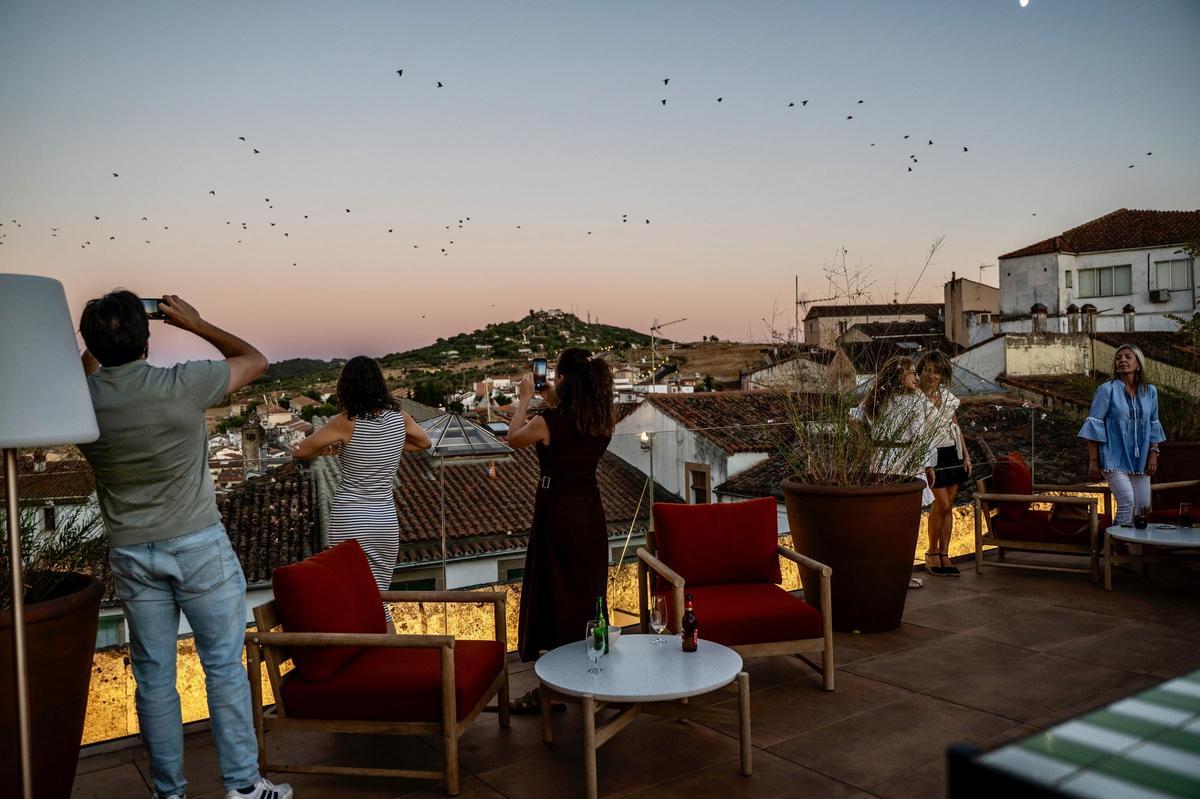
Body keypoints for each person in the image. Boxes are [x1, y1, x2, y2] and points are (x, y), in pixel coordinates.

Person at [77, 292, 291, 799]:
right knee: (222, 669)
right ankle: (242, 786)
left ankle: (168, 792)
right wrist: (196, 323)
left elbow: (83, 370)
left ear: (92, 341)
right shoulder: (181, 383)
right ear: (147, 337)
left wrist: (96, 346)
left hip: (131, 552)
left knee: (154, 679)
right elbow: (255, 360)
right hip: (198, 545)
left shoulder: (80, 398)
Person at [507, 348, 614, 711]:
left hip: (556, 514)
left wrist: (524, 399)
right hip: (589, 513)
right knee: (584, 595)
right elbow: (573, 417)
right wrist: (551, 393)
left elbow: (514, 436)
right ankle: (590, 680)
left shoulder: (548, 421)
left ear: (566, 380)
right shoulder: (602, 421)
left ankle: (550, 691)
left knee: (554, 596)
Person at [291, 356, 431, 623]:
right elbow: (424, 443)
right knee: (379, 600)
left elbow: (301, 450)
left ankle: (365, 657)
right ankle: (389, 656)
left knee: (350, 598)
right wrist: (387, 447)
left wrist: (334, 448)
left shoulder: (345, 422)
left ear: (347, 387)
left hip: (351, 518)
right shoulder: (400, 417)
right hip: (385, 520)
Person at [853, 355, 937, 588]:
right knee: (906, 523)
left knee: (882, 520)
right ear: (901, 375)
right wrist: (929, 465)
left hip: (880, 459)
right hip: (906, 460)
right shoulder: (914, 401)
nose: (917, 378)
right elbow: (921, 436)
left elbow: (856, 418)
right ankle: (902, 575)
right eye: (912, 373)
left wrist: (867, 444)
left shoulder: (876, 398)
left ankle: (880, 571)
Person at [1078, 344, 1165, 525]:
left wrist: (1153, 454)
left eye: (1128, 357)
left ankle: (1134, 546)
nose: (1122, 360)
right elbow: (1095, 424)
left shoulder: (1150, 391)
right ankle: (1118, 547)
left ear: (1138, 364)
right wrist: (1094, 461)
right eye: (1119, 358)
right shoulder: (1106, 389)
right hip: (1113, 457)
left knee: (1142, 504)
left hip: (1140, 459)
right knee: (1127, 502)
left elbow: (1153, 423)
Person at [917, 351, 971, 577]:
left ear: (943, 375)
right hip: (932, 456)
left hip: (953, 453)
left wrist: (966, 456)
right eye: (928, 371)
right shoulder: (915, 399)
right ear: (921, 372)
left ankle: (944, 554)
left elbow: (956, 426)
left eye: (937, 372)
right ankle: (931, 552)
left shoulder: (946, 397)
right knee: (943, 505)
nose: (932, 376)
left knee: (947, 506)